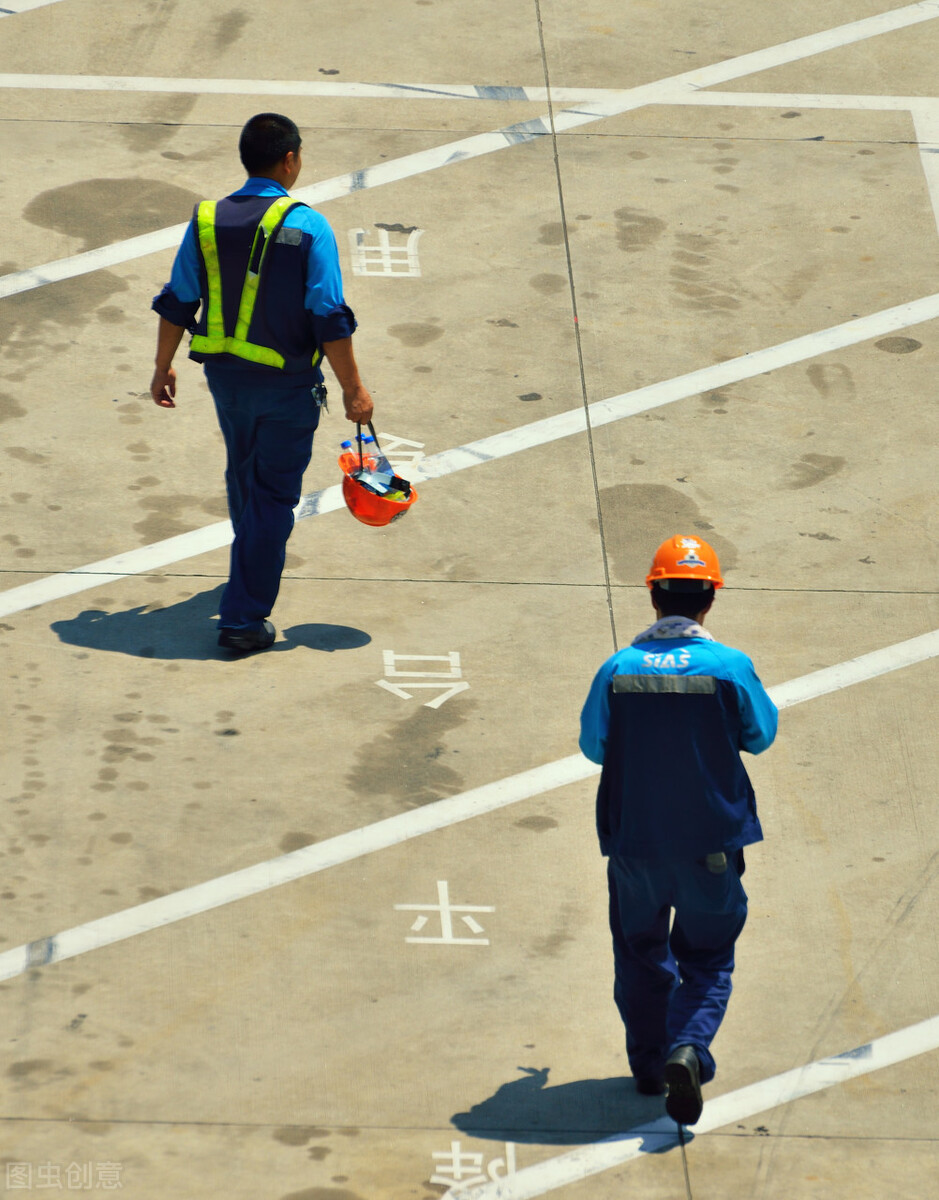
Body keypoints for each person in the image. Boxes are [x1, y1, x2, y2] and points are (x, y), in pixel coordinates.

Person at [150, 112, 373, 653]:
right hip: (287, 387)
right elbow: (328, 316)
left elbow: (179, 299)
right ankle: (243, 619)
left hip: (227, 381)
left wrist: (162, 366)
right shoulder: (309, 226)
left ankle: (247, 566)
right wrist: (353, 389)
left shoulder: (207, 219)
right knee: (272, 495)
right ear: (290, 160)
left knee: (244, 474)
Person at [579, 535, 777, 1125]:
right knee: (709, 957)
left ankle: (648, 1069)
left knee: (640, 955)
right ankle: (687, 1047)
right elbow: (760, 735)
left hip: (635, 844)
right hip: (709, 843)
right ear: (710, 598)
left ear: (653, 596)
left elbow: (594, 747)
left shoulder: (618, 669)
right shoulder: (730, 667)